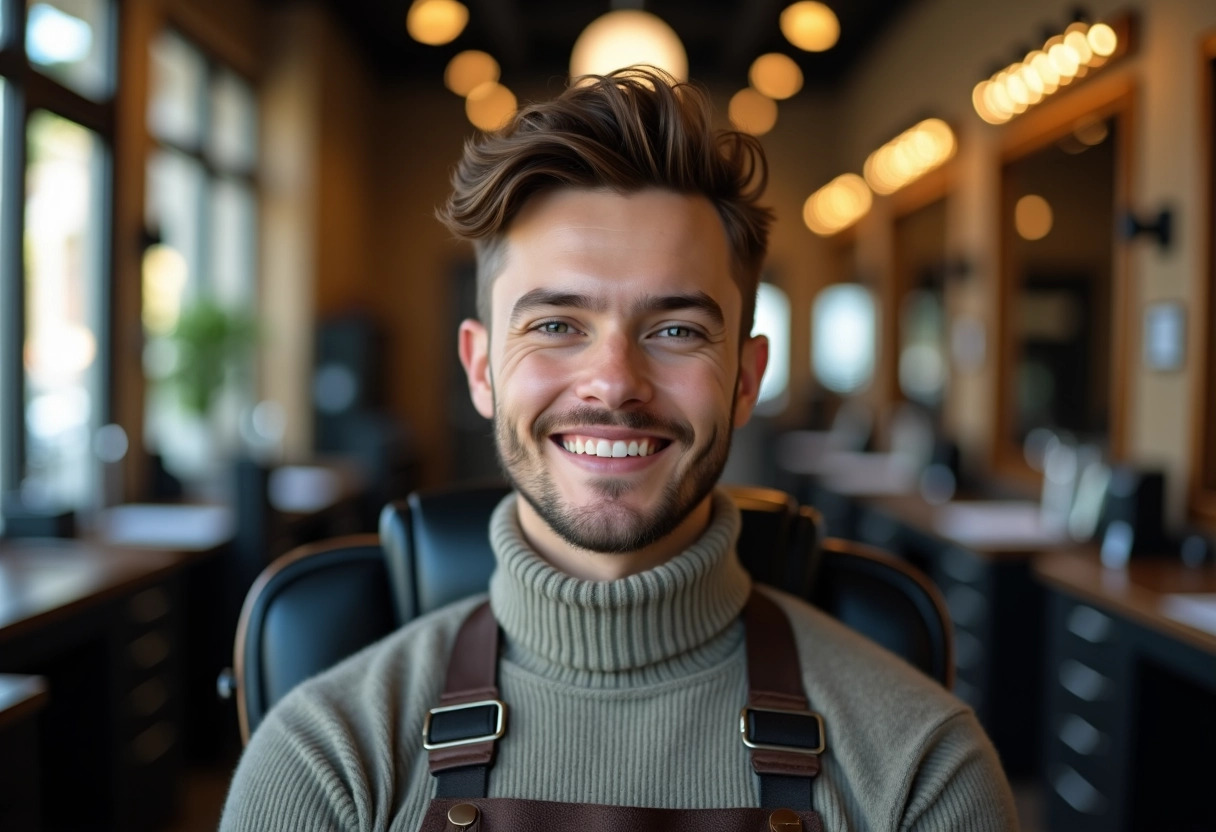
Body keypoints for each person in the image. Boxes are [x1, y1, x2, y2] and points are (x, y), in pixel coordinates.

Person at [220, 68, 1018, 831]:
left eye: (675, 330)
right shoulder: (323, 759)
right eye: (557, 325)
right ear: (480, 368)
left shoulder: (925, 770)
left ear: (745, 379)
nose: (614, 383)